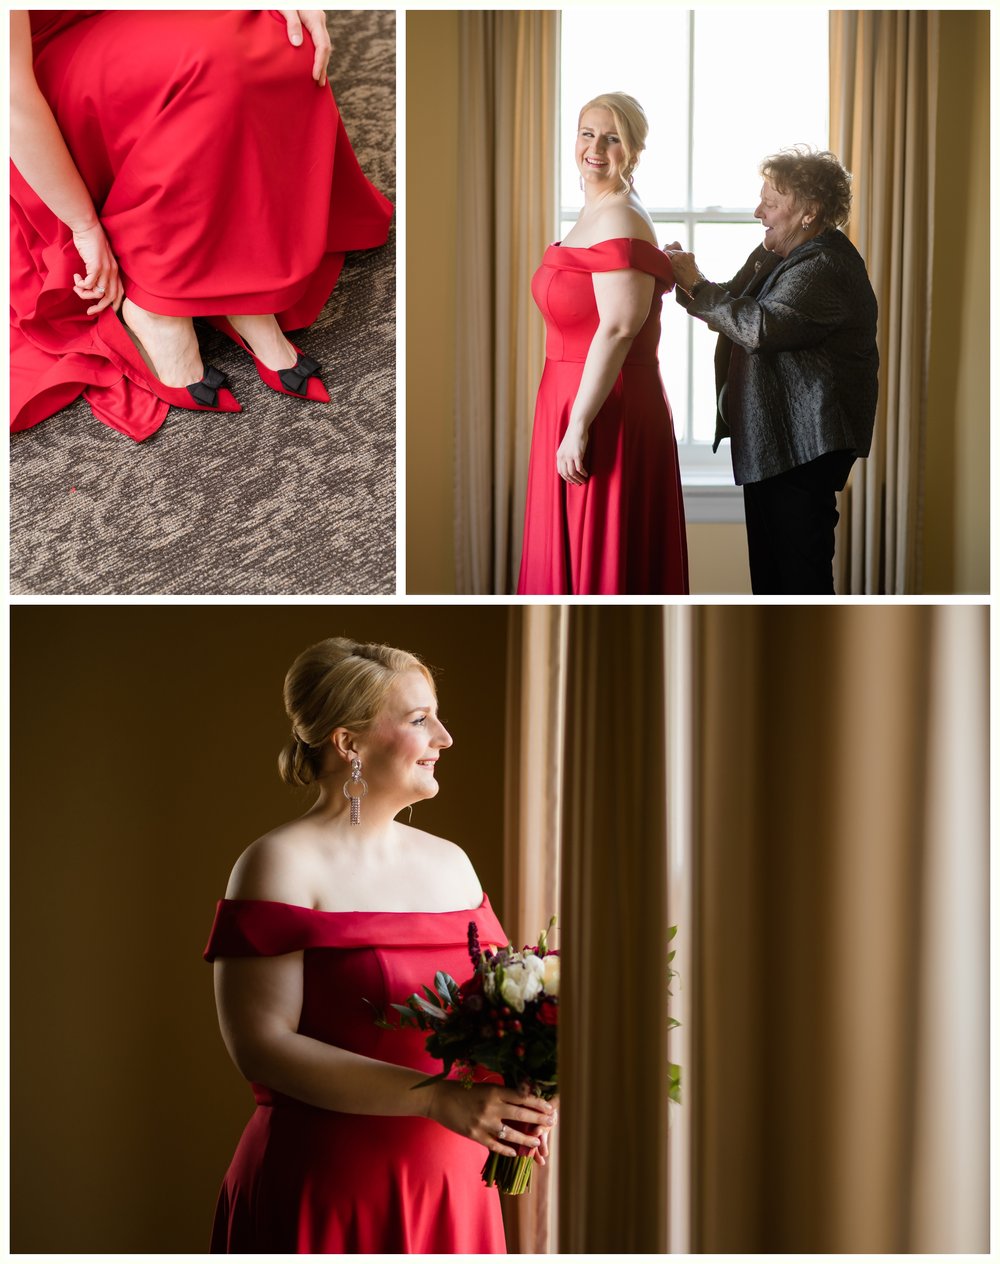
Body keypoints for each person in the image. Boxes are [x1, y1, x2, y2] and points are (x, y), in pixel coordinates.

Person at [204, 637, 556, 1253]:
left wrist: (524, 1087)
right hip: (330, 1184)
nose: (444, 738)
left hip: (454, 1184)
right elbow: (262, 1047)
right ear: (349, 743)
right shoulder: (277, 864)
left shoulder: (453, 865)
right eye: (421, 720)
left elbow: (497, 1015)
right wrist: (437, 1100)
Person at [10, 10, 392, 441]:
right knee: (213, 64)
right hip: (37, 55)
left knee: (276, 38)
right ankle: (157, 302)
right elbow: (12, 99)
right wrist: (83, 227)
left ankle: (235, 276)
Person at [667, 146, 878, 595]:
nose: (757, 211)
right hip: (773, 441)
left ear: (809, 211)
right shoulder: (775, 254)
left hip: (804, 448)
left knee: (799, 579)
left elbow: (759, 326)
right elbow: (726, 299)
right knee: (770, 579)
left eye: (771, 202)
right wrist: (684, 279)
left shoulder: (825, 265)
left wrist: (697, 284)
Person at [516, 92, 688, 595]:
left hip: (603, 405)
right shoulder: (597, 210)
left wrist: (578, 424)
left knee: (603, 563)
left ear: (633, 150)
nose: (595, 148)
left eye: (612, 138)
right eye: (587, 133)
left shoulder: (621, 217)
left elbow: (617, 328)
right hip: (570, 397)